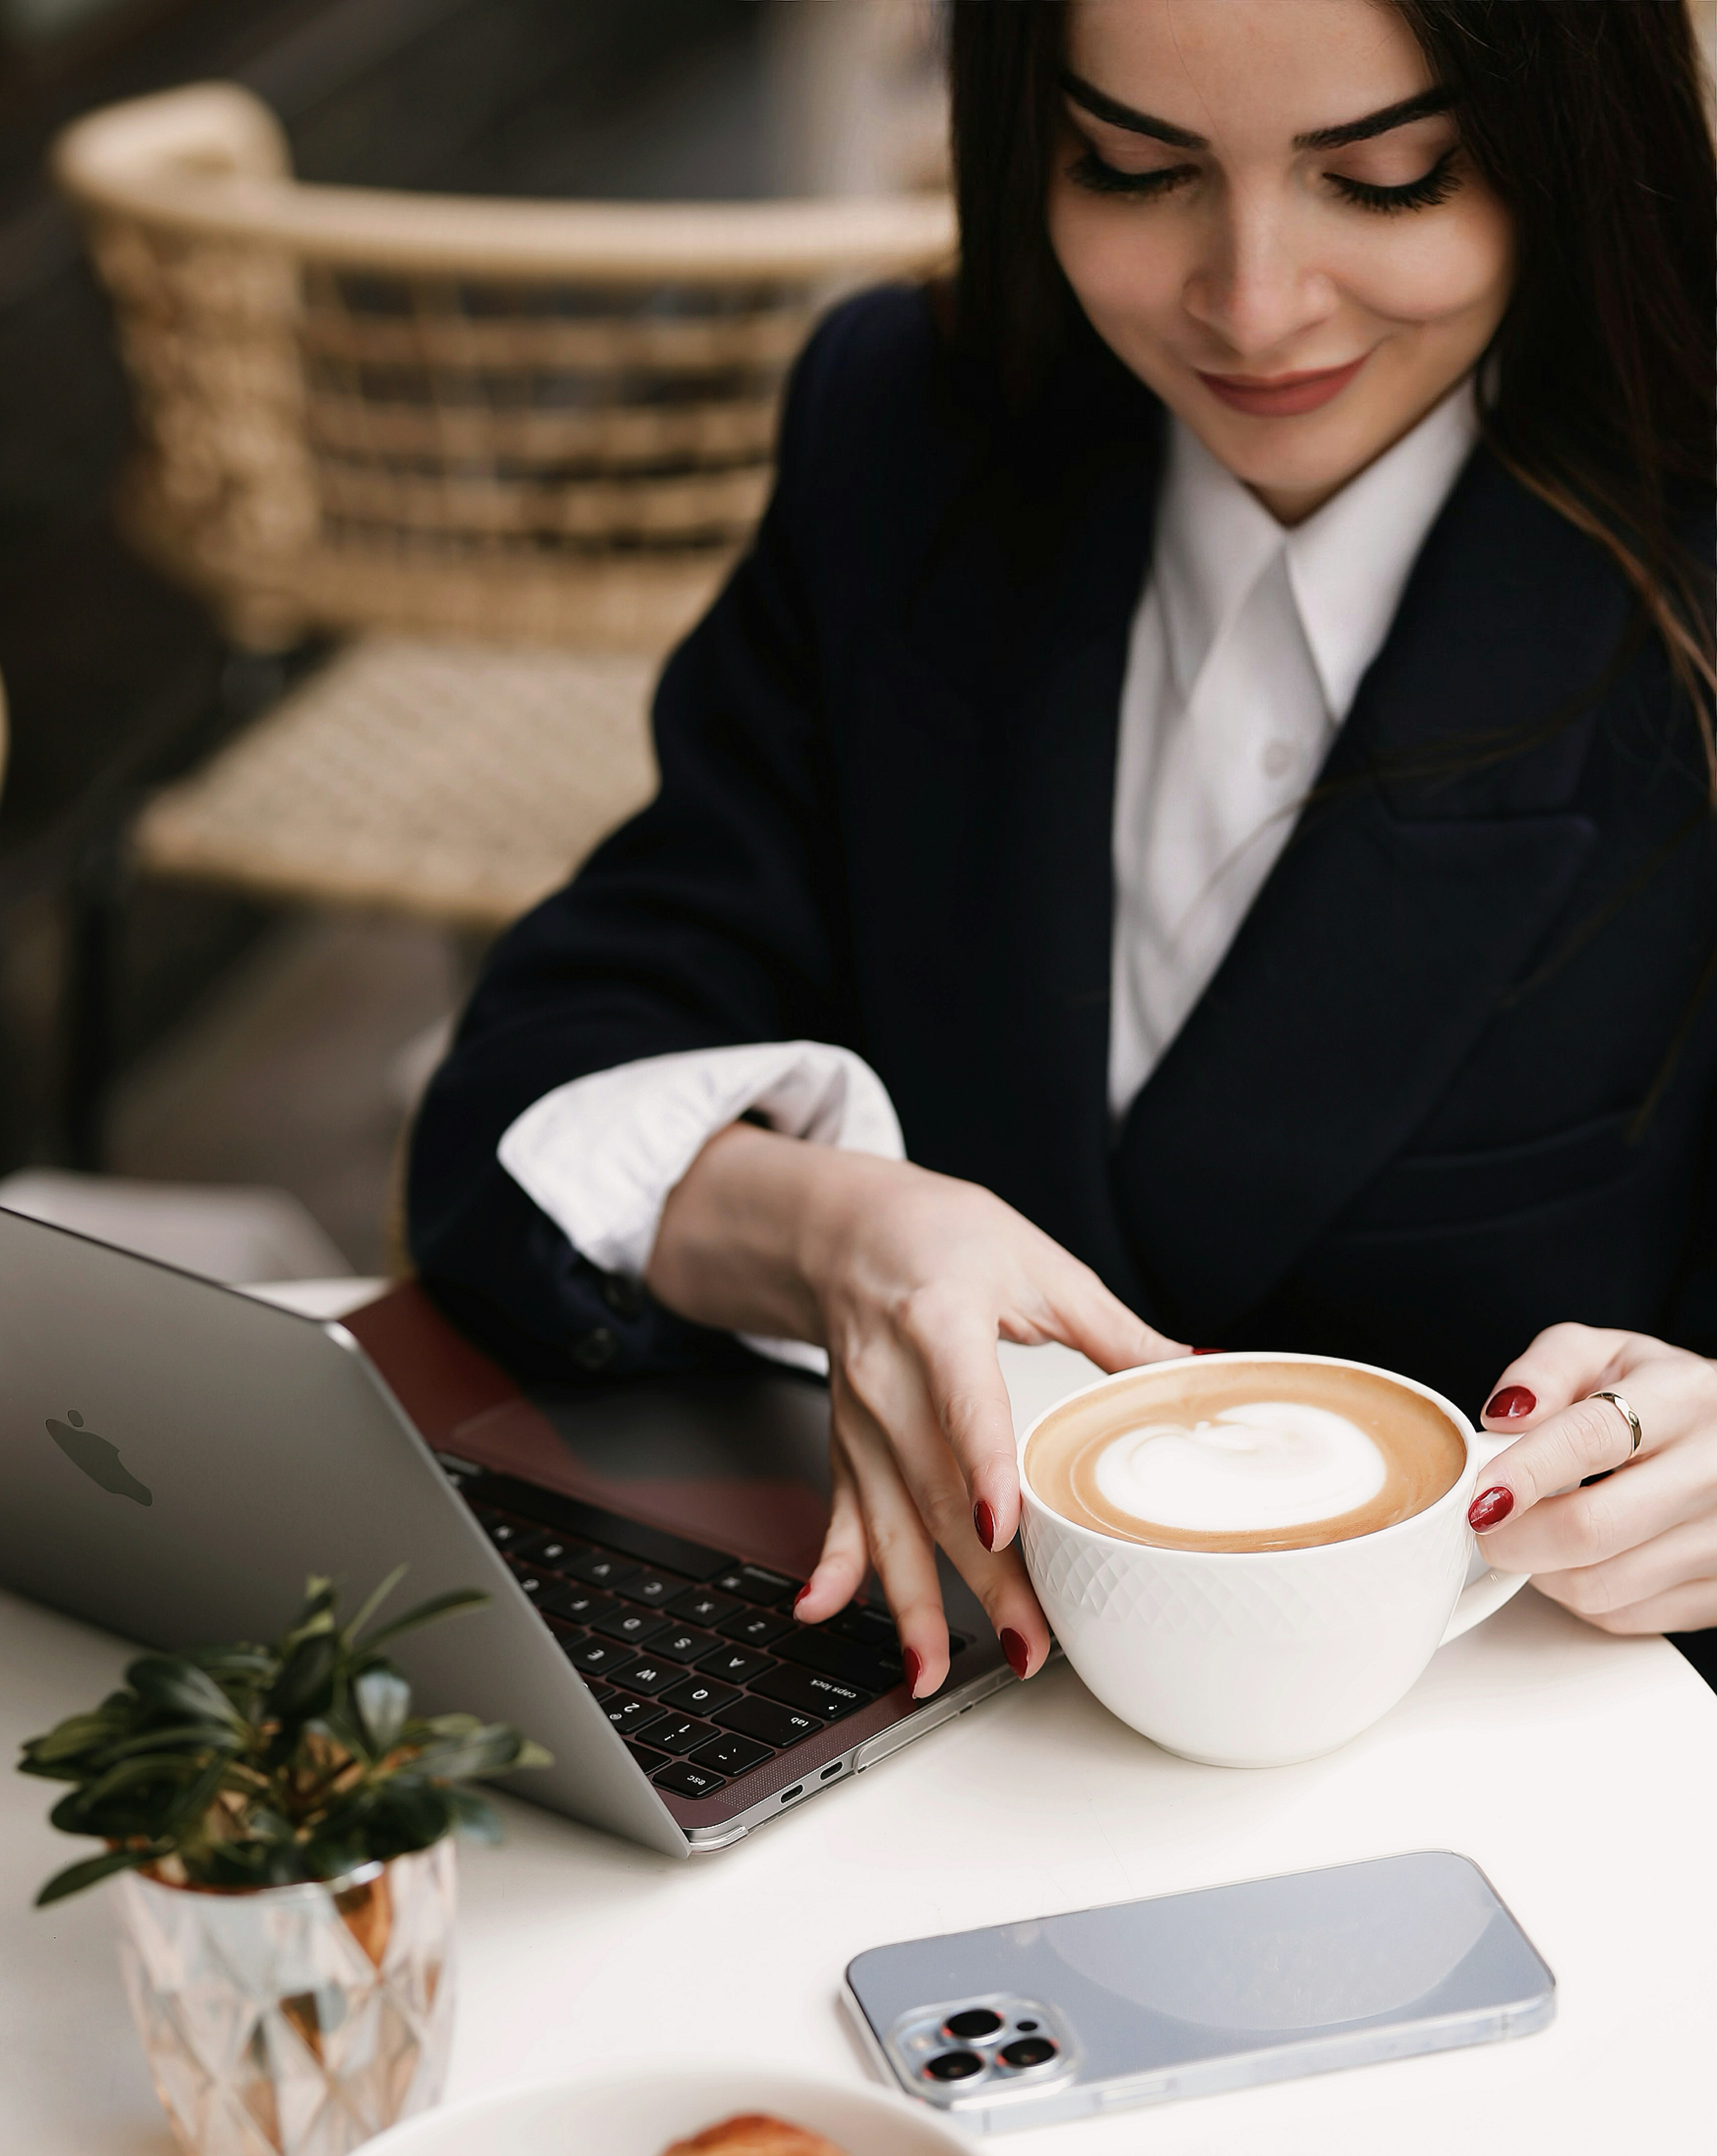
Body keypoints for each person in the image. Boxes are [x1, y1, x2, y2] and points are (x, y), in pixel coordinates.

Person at [410, 0, 1717, 1728]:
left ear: (1572, 139)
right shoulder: (912, 433)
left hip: (1522, 1782)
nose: (1251, 306)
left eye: (1391, 181)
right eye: (1131, 168)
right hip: (903, 1730)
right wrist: (830, 1228)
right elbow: (530, 1096)